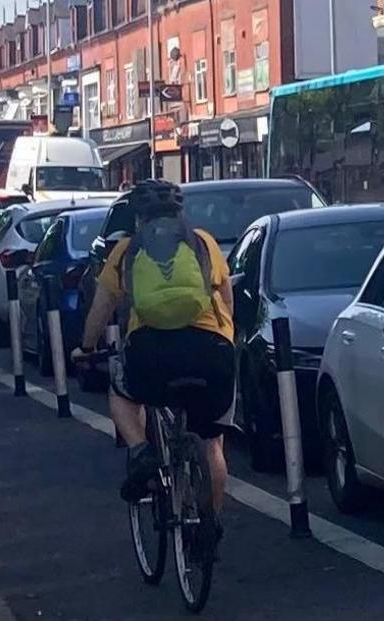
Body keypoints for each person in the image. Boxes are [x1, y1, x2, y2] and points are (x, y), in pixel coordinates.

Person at [73, 179, 235, 525]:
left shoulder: (126, 251)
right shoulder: (204, 243)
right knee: (212, 445)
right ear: (180, 212)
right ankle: (210, 527)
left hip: (151, 352)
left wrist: (85, 348)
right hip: (210, 349)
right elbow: (227, 301)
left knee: (121, 390)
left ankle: (140, 448)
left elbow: (101, 309)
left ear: (138, 217)